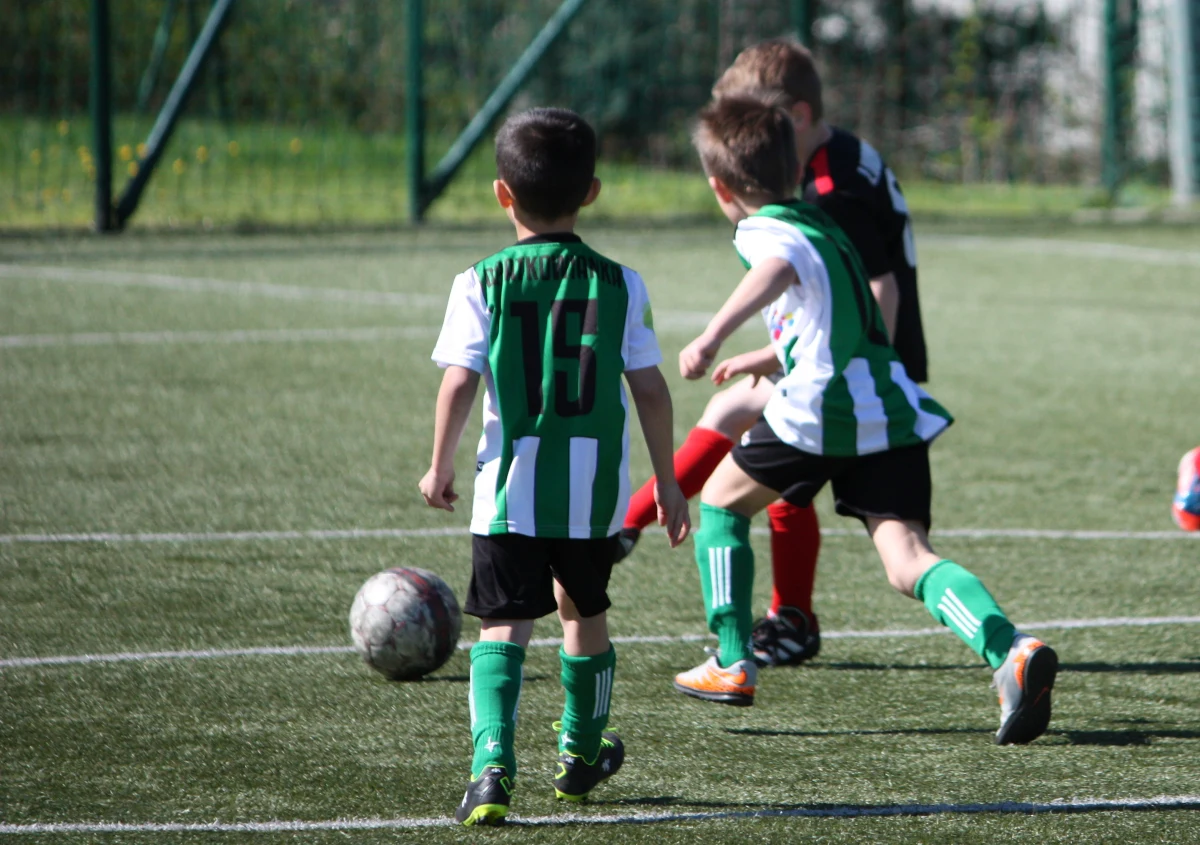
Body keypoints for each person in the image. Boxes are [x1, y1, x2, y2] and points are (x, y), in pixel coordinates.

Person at [670, 96, 1057, 747]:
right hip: (887, 403)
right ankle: (1010, 648)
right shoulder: (827, 227)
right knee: (907, 559)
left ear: (720, 186)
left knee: (720, 501)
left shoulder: (764, 228)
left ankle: (732, 660)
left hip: (822, 408)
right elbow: (838, 317)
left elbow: (774, 269)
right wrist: (762, 354)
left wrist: (710, 336)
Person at [618, 38, 931, 671]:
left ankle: (785, 615)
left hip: (862, 371)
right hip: (848, 361)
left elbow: (879, 287)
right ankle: (628, 528)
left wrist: (842, 371)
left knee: (767, 462)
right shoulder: (829, 159)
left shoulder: (833, 184)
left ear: (798, 114)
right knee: (739, 414)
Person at [419, 107, 691, 826]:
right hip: (593, 497)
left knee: (503, 624)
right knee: (585, 611)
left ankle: (490, 771)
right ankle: (580, 752)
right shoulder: (622, 283)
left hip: (507, 492)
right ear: (592, 191)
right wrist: (665, 481)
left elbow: (458, 381)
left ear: (502, 193)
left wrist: (439, 464)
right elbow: (653, 389)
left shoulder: (479, 280)